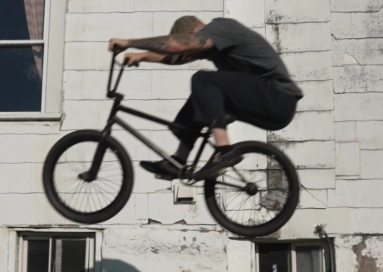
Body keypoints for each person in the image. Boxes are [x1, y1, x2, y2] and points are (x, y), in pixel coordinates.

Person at [109, 16, 303, 180]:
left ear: (192, 36)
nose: (189, 56)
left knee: (202, 80)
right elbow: (177, 56)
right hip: (268, 102)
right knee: (194, 106)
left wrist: (128, 43)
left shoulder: (220, 28)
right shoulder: (215, 46)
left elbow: (177, 47)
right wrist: (142, 56)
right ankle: (178, 161)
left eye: (189, 48)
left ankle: (223, 150)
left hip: (279, 97)